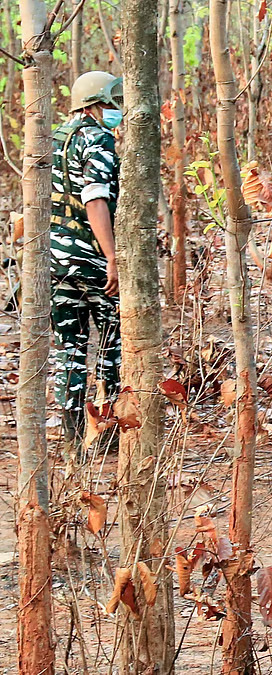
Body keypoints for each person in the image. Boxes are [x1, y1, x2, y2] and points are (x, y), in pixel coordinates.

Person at [51, 71, 124, 452]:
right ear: (100, 101)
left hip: (56, 262)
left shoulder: (57, 137)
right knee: (113, 344)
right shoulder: (98, 138)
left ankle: (73, 439)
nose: (118, 108)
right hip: (92, 258)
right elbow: (95, 198)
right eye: (114, 100)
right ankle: (109, 433)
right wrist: (111, 256)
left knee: (70, 351)